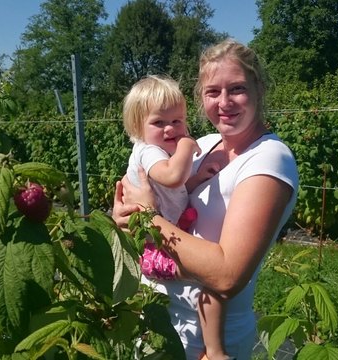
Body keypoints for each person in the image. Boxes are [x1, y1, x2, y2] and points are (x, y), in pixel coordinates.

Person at [113, 39, 299, 359]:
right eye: (213, 92)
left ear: (259, 88)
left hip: (204, 340)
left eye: (237, 88)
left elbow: (226, 275)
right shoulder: (205, 144)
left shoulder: (269, 160)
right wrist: (124, 216)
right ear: (201, 97)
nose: (224, 102)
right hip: (155, 318)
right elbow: (159, 195)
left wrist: (146, 215)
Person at [122, 74, 231, 360]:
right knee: (213, 283)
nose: (171, 128)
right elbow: (171, 178)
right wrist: (185, 147)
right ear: (137, 127)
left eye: (177, 121)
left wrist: (195, 181)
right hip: (154, 248)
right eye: (159, 122)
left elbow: (176, 191)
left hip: (162, 235)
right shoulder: (148, 152)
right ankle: (216, 352)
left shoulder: (160, 152)